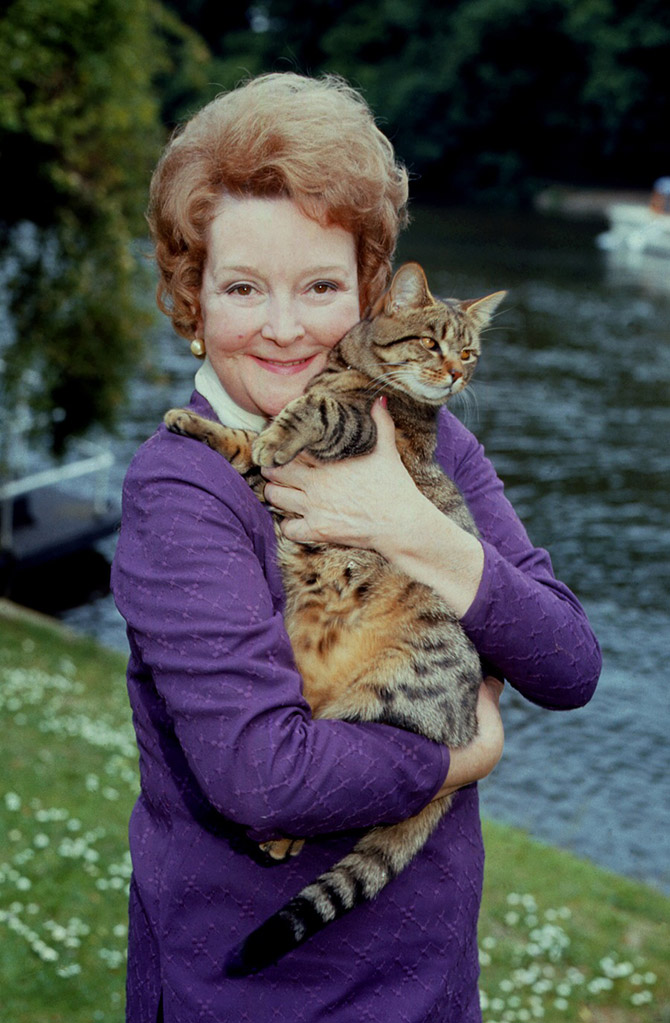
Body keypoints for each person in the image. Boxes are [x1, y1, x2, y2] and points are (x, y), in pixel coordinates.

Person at [111, 72, 601, 1023]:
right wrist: (464, 754)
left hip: (430, 990)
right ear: (191, 295)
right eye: (243, 287)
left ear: (373, 292)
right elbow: (266, 776)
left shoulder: (427, 433)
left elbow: (570, 662)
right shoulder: (182, 488)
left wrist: (407, 524)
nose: (285, 327)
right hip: (248, 1000)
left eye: (323, 286)